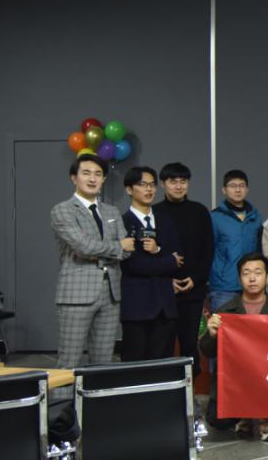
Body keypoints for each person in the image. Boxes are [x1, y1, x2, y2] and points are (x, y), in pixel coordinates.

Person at [51, 155, 135, 368]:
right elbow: (84, 247)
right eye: (86, 173)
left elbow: (128, 250)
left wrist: (100, 250)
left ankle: (97, 393)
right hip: (76, 295)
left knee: (103, 361)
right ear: (74, 178)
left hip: (111, 295)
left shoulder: (111, 211)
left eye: (98, 174)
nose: (92, 179)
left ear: (104, 179)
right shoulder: (63, 210)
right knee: (69, 360)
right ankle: (64, 393)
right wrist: (117, 246)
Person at [199, 253, 268, 440]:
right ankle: (246, 415)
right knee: (218, 420)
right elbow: (207, 351)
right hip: (236, 381)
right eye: (246, 273)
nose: (252, 278)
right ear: (240, 278)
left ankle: (262, 417)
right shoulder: (226, 311)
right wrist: (212, 334)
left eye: (258, 273)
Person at [154, 162, 214, 373]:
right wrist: (167, 280)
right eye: (173, 181)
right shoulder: (155, 212)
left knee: (190, 345)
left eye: (183, 181)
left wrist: (196, 279)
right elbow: (152, 254)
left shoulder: (199, 211)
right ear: (163, 184)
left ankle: (190, 390)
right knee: (163, 346)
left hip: (193, 290)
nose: (179, 186)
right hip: (163, 290)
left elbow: (208, 250)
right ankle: (165, 389)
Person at [120, 165, 182, 361]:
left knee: (163, 363)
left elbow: (178, 260)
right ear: (129, 189)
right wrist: (167, 260)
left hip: (165, 306)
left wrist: (157, 251)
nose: (149, 189)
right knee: (135, 365)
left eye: (152, 185)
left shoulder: (166, 220)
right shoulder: (122, 222)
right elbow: (133, 265)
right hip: (137, 307)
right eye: (143, 184)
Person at [209, 169, 263, 309]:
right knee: (223, 323)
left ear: (247, 189)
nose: (238, 189)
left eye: (242, 185)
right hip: (224, 287)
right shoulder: (215, 217)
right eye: (233, 186)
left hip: (251, 284)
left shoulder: (255, 217)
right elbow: (207, 251)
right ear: (224, 190)